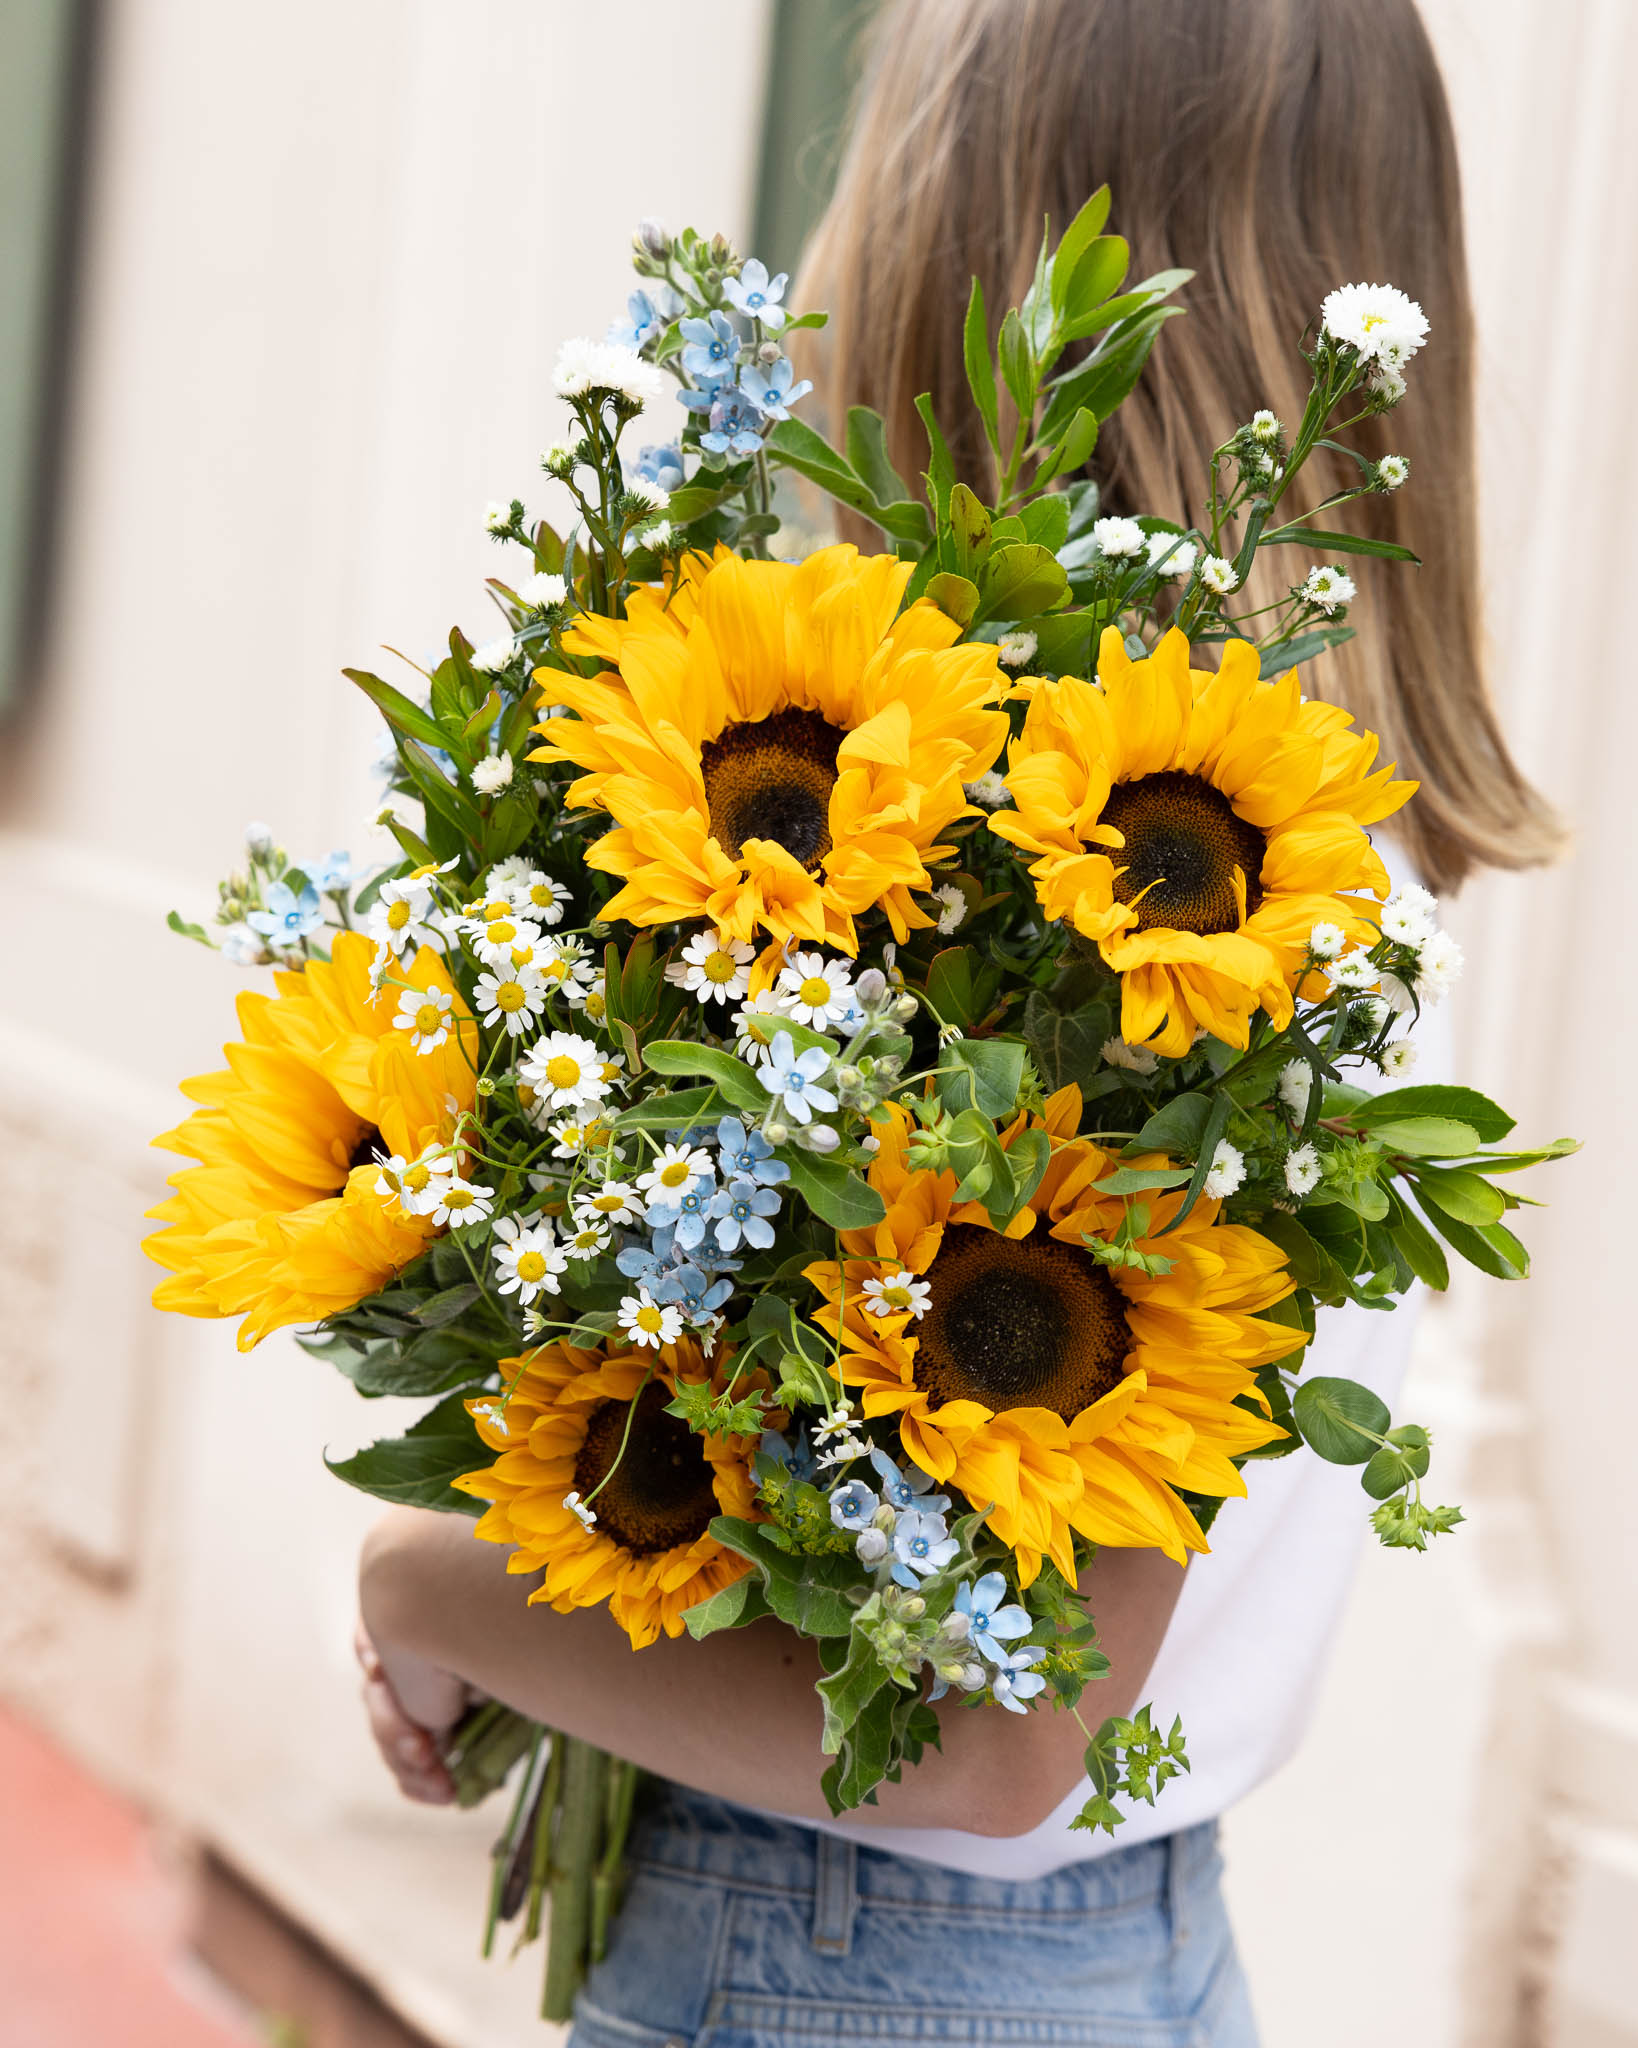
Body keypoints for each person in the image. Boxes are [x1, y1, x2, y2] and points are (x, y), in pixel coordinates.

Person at [355, 3, 1560, 2041]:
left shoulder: (1087, 905)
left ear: (950, 237)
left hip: (845, 1962)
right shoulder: (1300, 861)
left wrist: (421, 1583)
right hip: (1129, 1952)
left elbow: (999, 1735)